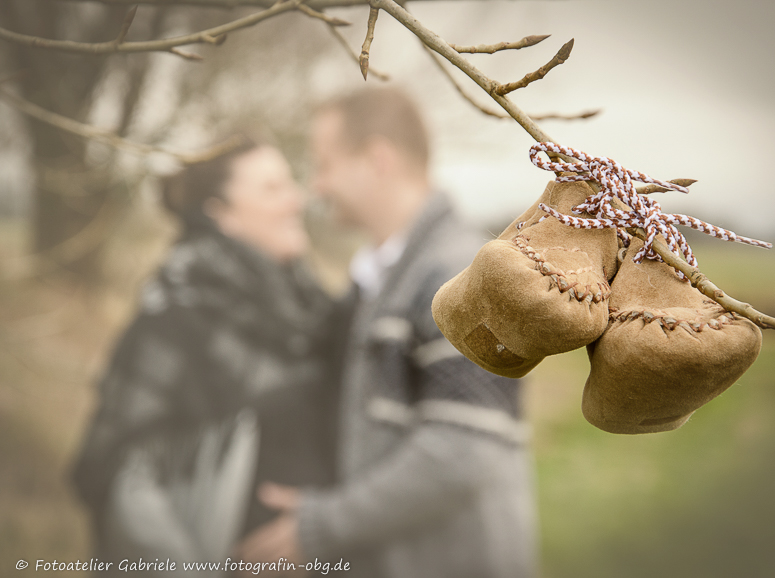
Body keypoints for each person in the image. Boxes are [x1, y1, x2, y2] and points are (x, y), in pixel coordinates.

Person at [239, 88, 536, 578]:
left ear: (378, 159)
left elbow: (462, 449)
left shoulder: (459, 275)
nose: (317, 185)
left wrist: (318, 527)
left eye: (326, 164)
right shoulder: (382, 275)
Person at [72, 139, 339, 572]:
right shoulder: (179, 314)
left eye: (290, 183)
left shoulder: (308, 305)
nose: (296, 199)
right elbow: (124, 475)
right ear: (220, 212)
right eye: (272, 189)